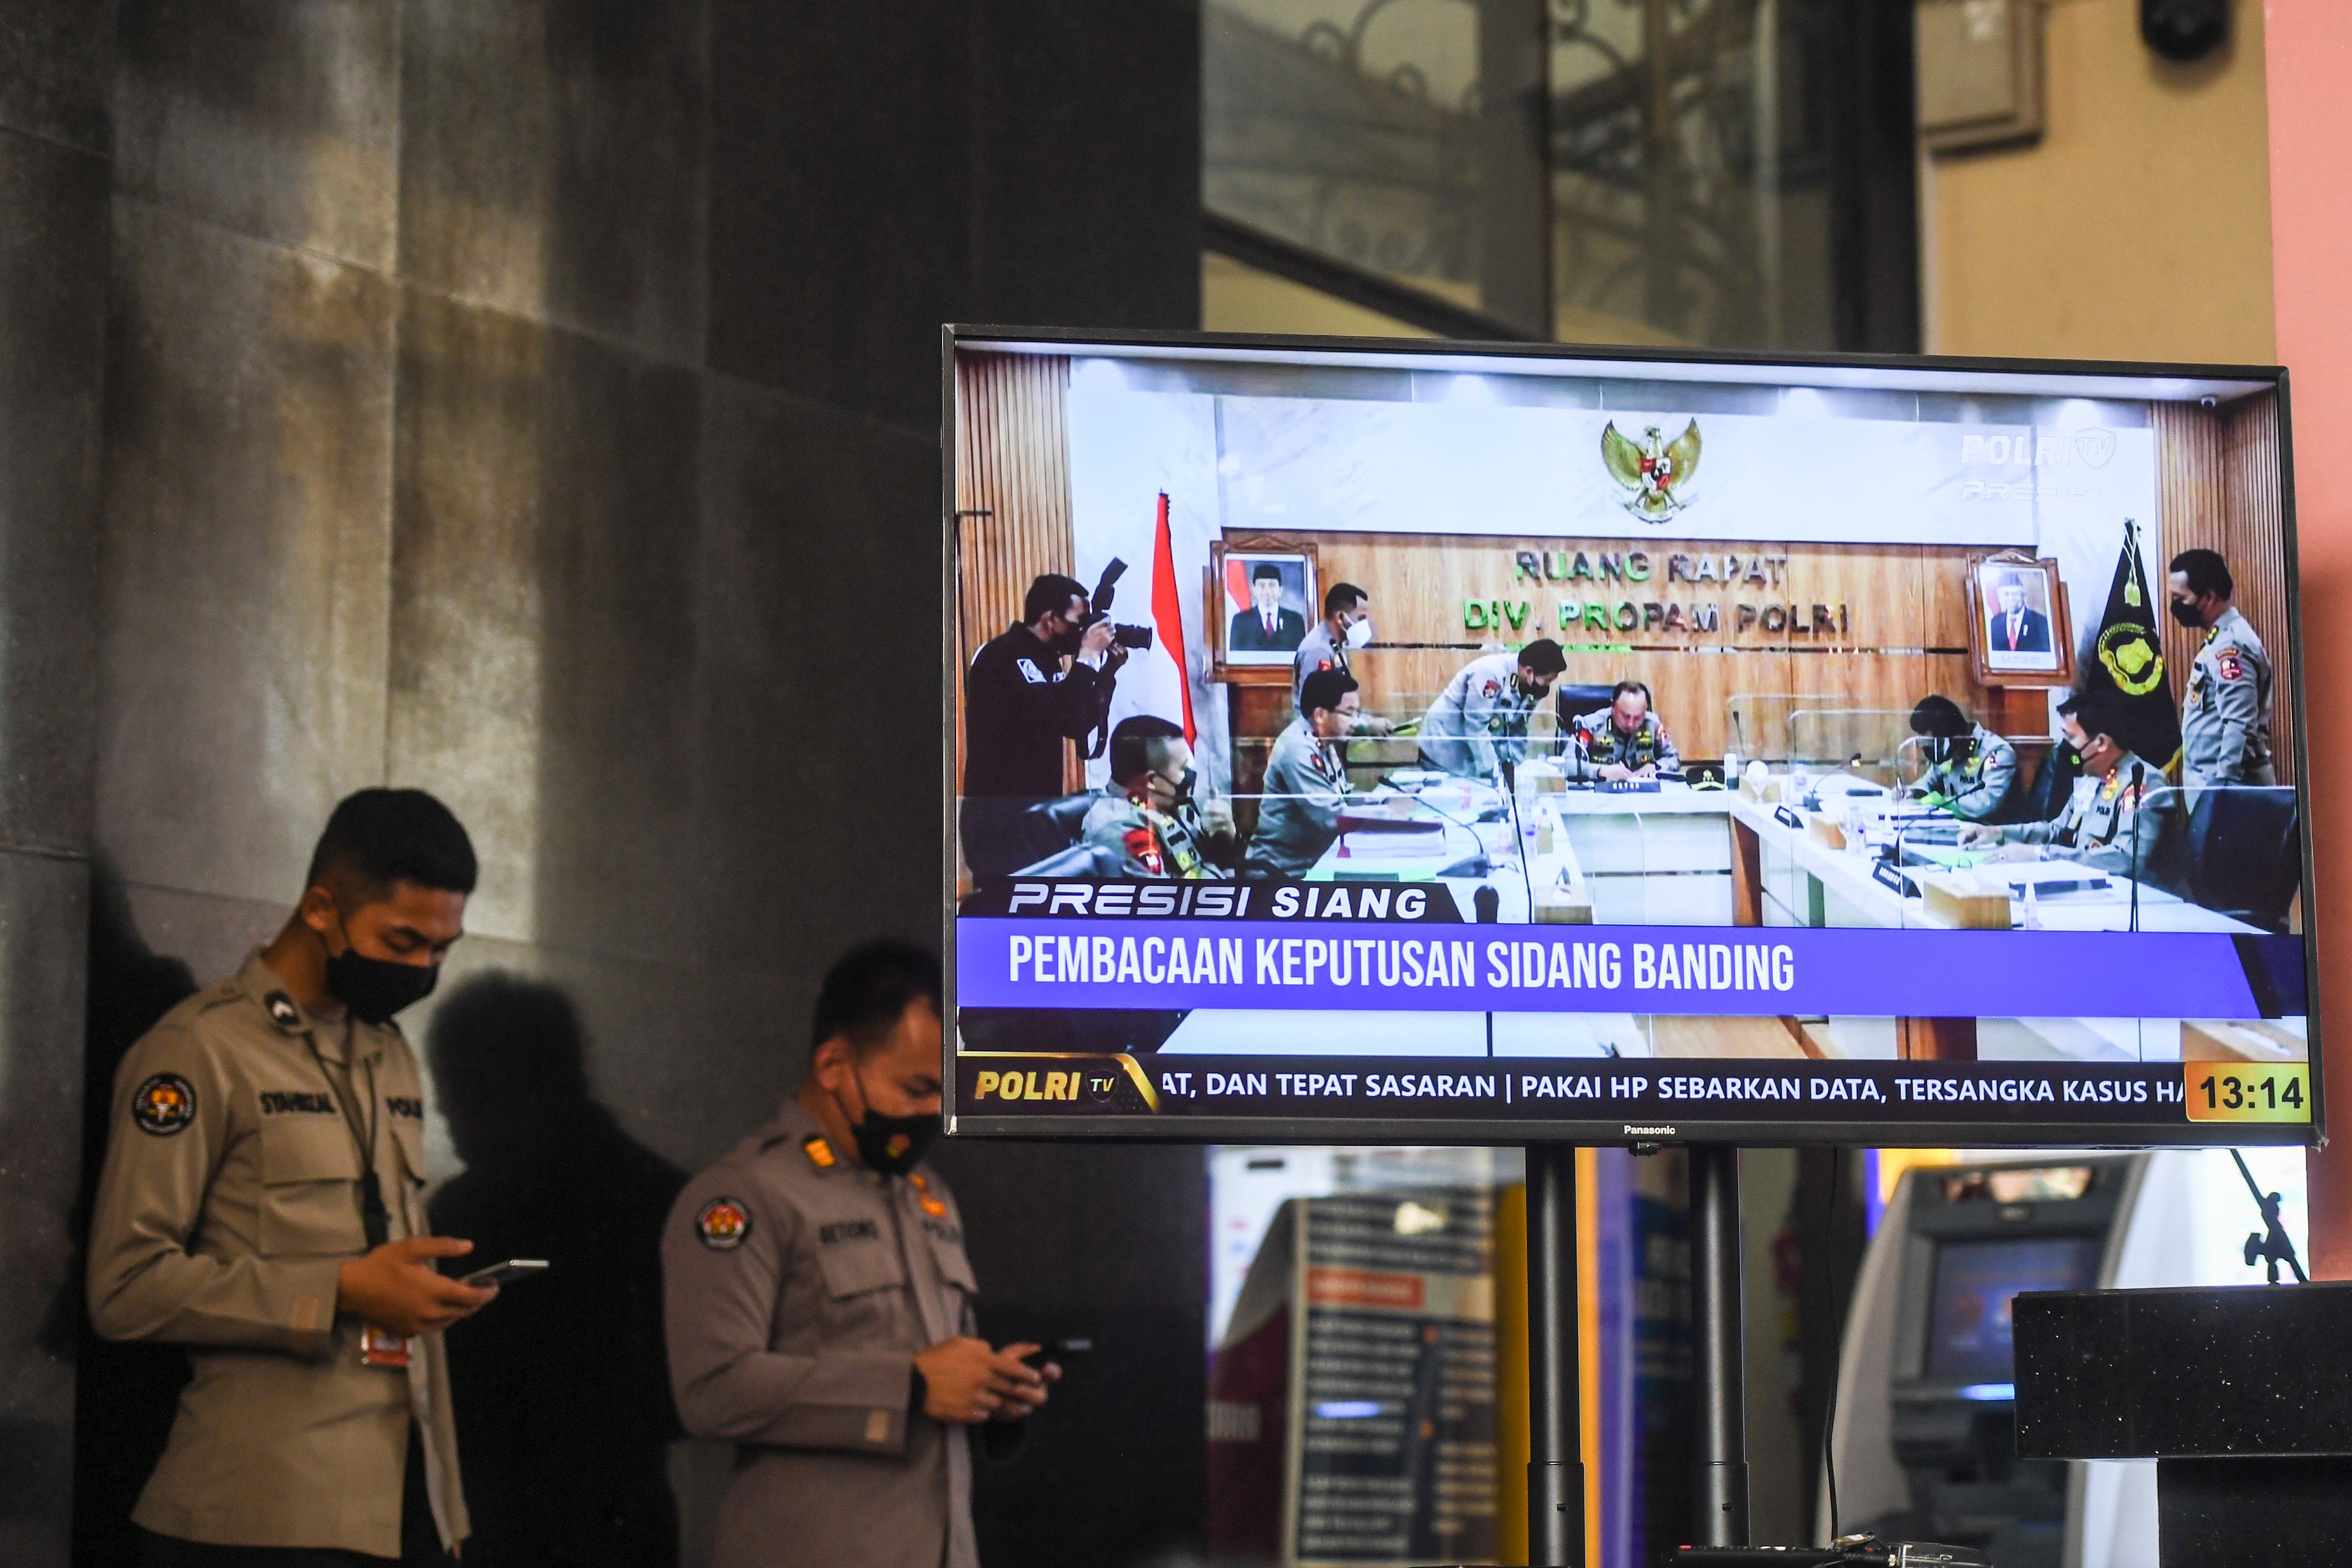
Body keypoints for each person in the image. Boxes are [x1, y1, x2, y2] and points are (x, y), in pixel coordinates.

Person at [86, 788, 494, 1566]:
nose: (423, 969)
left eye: (443, 949)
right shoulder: (198, 1049)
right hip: (252, 1515)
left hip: (398, 1505)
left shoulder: (387, 1051)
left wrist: (446, 1506)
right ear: (320, 906)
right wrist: (340, 1289)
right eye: (403, 940)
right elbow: (125, 1285)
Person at [663, 941, 1054, 1568]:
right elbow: (710, 1390)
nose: (934, 1113)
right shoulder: (744, 1195)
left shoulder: (929, 1196)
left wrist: (993, 1393)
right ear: (834, 1065)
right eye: (916, 1088)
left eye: (945, 1092)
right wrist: (912, 1384)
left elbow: (944, 1379)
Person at [427, 975, 688, 1568]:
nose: (449, 1122)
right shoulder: (662, 1199)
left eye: (455, 1100)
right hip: (617, 1525)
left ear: (496, 1091)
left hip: (503, 1523)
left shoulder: (459, 1214)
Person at [961, 573, 1128, 877]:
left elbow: (1077, 724)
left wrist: (1107, 673)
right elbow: (1059, 713)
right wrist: (1087, 658)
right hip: (999, 815)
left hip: (1034, 811)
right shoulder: (1005, 655)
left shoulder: (1046, 660)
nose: (1081, 633)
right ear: (1050, 619)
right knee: (1006, 910)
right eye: (1077, 623)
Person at [1960, 695, 2171, 880]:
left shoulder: (2143, 783)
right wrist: (1998, 832)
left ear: (2101, 743)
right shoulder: (2092, 777)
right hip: (2093, 888)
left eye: (2070, 737)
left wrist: (2040, 855)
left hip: (2138, 902)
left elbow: (2127, 859)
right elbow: (2058, 831)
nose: (2064, 746)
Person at [2169, 547, 2275, 788]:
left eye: (2181, 598)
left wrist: (2223, 790)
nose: (2175, 605)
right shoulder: (2218, 640)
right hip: (2215, 787)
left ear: (2209, 597)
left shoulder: (2231, 646)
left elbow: (2240, 724)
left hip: (2231, 793)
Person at [1084, 716, 1232, 878]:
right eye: (1183, 769)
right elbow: (1161, 898)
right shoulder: (1118, 831)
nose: (1190, 776)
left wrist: (1225, 838)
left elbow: (1202, 862)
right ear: (1152, 781)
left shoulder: (1165, 804)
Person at [1248, 670, 1362, 877]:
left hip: (1311, 863)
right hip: (1281, 873)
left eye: (1357, 714)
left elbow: (1342, 797)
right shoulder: (1298, 750)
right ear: (1320, 715)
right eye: (1348, 713)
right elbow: (1331, 819)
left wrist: (1382, 802)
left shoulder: (1323, 742)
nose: (1355, 722)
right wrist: (1387, 816)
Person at [1418, 639, 1568, 785]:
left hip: (1469, 751)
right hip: (1444, 747)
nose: (1547, 685)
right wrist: (1493, 772)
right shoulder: (1491, 674)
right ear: (1529, 671)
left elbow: (1517, 729)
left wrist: (1515, 771)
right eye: (1547, 680)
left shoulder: (1531, 687)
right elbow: (1476, 728)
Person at [1906, 694, 2019, 822]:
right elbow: (1928, 780)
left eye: (1935, 744)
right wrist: (1914, 793)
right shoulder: (1947, 753)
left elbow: (1986, 802)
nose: (1933, 750)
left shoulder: (1996, 752)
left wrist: (1942, 803)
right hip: (1958, 826)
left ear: (1950, 737)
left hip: (1992, 830)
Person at [1565, 679, 1682, 783]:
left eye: (1638, 717)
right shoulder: (1591, 725)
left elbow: (1673, 758)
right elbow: (1566, 764)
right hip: (1602, 796)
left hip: (1644, 795)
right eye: (1626, 716)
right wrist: (1600, 771)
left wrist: (1656, 766)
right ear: (1613, 707)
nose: (1631, 724)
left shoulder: (1653, 724)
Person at [1229, 562, 1305, 652]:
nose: (1267, 591)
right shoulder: (1241, 621)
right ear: (1254, 590)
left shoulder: (1295, 621)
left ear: (1280, 590)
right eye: (1261, 586)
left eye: (1272, 585)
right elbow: (1236, 657)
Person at [1986, 573, 2052, 655]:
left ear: (2023, 595)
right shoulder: (1995, 623)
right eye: (2007, 594)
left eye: (2015, 594)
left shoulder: (2040, 622)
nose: (2011, 599)